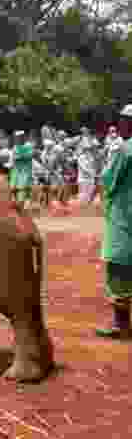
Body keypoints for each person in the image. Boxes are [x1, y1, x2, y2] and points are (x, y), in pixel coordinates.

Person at [96, 104, 132, 339]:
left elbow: (108, 180)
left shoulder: (123, 149)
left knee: (118, 267)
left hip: (123, 214)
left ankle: (121, 324)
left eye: (124, 120)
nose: (120, 124)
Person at [9, 130, 34, 209]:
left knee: (23, 187)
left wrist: (20, 157)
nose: (17, 139)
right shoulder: (15, 147)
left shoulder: (28, 145)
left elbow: (29, 155)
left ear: (23, 138)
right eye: (16, 138)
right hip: (16, 170)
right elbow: (13, 157)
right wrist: (11, 162)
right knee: (13, 187)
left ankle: (23, 204)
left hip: (25, 170)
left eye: (19, 138)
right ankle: (16, 203)